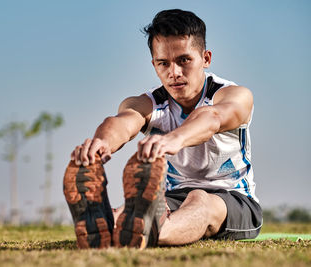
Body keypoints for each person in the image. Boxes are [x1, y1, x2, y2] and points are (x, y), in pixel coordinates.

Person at [63, 9, 262, 249]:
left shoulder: (234, 95)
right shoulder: (149, 103)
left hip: (232, 197)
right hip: (172, 196)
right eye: (163, 63)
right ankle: (108, 225)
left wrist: (173, 140)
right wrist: (101, 144)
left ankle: (153, 231)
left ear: (206, 58)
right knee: (135, 210)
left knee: (199, 199)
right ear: (154, 64)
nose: (174, 73)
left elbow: (212, 118)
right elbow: (123, 121)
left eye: (184, 60)